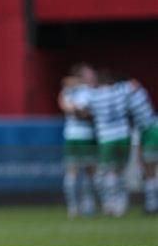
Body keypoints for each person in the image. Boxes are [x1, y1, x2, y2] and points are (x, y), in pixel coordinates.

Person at [64, 69, 132, 217]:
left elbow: (79, 109)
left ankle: (102, 205)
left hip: (105, 136)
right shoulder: (120, 90)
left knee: (103, 171)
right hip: (123, 134)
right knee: (119, 171)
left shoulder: (92, 94)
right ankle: (120, 203)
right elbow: (134, 86)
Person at [58, 63, 98, 218]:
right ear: (81, 76)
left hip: (70, 134)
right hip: (84, 135)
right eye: (89, 73)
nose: (92, 75)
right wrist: (84, 113)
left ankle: (73, 207)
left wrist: (72, 108)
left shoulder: (68, 90)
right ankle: (86, 205)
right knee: (88, 171)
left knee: (72, 171)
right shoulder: (85, 91)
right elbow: (83, 112)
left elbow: (66, 106)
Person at [125, 81, 158, 214]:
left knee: (149, 171)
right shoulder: (139, 94)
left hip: (150, 131)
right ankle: (152, 204)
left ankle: (152, 205)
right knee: (149, 171)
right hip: (148, 130)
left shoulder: (127, 92)